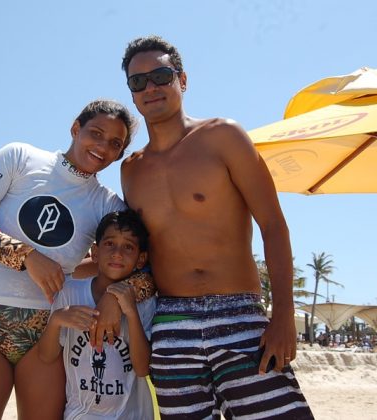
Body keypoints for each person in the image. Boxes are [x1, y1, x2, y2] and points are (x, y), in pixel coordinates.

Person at [119, 35, 313, 419]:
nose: (150, 88)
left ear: (182, 80)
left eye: (160, 75)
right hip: (171, 324)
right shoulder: (130, 169)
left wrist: (283, 316)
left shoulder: (224, 136)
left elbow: (273, 225)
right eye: (138, 82)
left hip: (239, 315)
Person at [0, 99, 154, 420]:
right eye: (95, 133)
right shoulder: (19, 157)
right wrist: (26, 256)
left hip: (45, 335)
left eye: (115, 144)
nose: (102, 147)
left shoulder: (105, 204)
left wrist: (116, 298)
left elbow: (145, 267)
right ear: (75, 128)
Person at [38, 210, 155, 419]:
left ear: (141, 259)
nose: (117, 253)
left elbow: (142, 368)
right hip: (80, 415)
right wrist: (56, 321)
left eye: (128, 246)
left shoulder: (144, 301)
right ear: (95, 252)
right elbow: (46, 356)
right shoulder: (70, 293)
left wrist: (131, 313)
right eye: (109, 243)